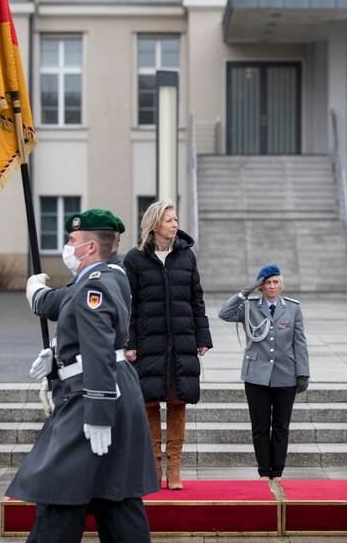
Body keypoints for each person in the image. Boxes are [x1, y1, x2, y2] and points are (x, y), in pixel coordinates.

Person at [7, 209, 156, 543]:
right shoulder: (103, 278)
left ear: (90, 248)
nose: (66, 246)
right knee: (115, 497)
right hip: (105, 390)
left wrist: (99, 412)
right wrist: (59, 357)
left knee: (60, 493)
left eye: (72, 240)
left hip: (94, 398)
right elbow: (64, 307)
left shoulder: (97, 286)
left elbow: (100, 348)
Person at [124, 200, 213, 490]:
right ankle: (153, 469)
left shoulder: (187, 257)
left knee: (178, 404)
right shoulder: (134, 260)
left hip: (181, 342)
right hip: (149, 344)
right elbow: (129, 307)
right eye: (169, 221)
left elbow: (196, 300)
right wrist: (129, 343)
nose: (175, 225)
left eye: (176, 219)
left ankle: (174, 470)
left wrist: (202, 338)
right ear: (154, 225)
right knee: (149, 405)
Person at [218, 265, 310, 480]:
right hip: (256, 375)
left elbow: (300, 343)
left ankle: (277, 471)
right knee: (259, 426)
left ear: (281, 284)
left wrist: (303, 373)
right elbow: (224, 313)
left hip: (285, 374)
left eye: (275, 282)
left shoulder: (293, 308)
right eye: (267, 282)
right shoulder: (249, 306)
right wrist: (244, 293)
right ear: (261, 286)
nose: (271, 286)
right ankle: (263, 470)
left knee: (281, 426)